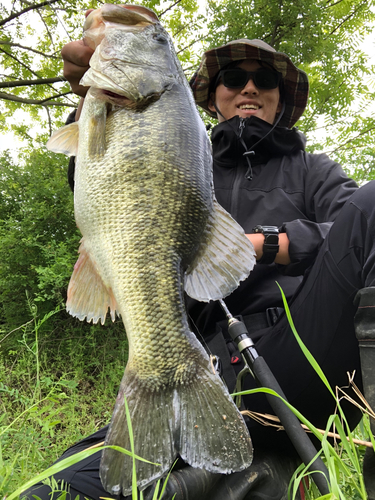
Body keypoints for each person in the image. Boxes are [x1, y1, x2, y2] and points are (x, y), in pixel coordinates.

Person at [22, 22, 375, 500]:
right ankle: (232, 457)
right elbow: (99, 184)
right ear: (212, 97)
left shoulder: (315, 170)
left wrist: (261, 244)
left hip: (302, 353)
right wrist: (89, 106)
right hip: (197, 362)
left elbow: (352, 234)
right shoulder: (180, 143)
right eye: (233, 77)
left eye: (264, 80)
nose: (249, 87)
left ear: (280, 99)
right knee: (52, 492)